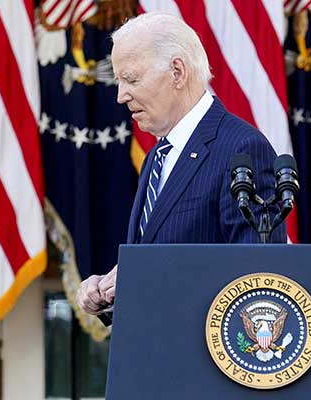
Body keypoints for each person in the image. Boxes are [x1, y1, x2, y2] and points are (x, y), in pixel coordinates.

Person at [76, 12, 283, 316]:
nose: (120, 96)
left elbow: (257, 275)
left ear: (177, 72)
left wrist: (144, 277)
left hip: (205, 358)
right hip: (153, 353)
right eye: (118, 81)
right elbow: (162, 255)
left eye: (131, 79)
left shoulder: (241, 149)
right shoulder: (156, 157)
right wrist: (108, 291)